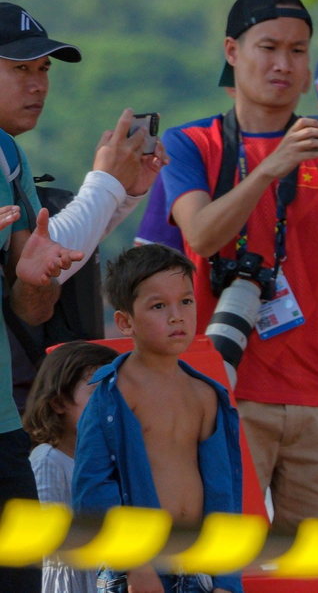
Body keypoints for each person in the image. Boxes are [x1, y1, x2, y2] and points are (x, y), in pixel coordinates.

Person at [159, 0, 318, 529]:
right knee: (227, 568)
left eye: (297, 50)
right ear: (231, 51)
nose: (283, 64)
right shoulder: (194, 143)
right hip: (225, 391)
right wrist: (270, 166)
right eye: (268, 47)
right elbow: (200, 235)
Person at [0, 2, 164, 593]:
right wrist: (105, 184)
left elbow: (35, 285)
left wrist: (117, 199)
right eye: (20, 69)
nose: (38, 84)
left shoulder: (10, 154)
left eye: (44, 70)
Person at [71, 245, 240, 593]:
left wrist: (226, 578)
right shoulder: (114, 395)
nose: (176, 316)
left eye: (186, 302)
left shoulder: (206, 395)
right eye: (159, 306)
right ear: (124, 322)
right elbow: (92, 491)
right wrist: (138, 567)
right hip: (136, 572)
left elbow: (224, 494)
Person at [23, 341, 118, 593]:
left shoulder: (111, 460)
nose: (110, 405)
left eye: (116, 393)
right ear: (58, 403)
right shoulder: (48, 459)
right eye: (96, 393)